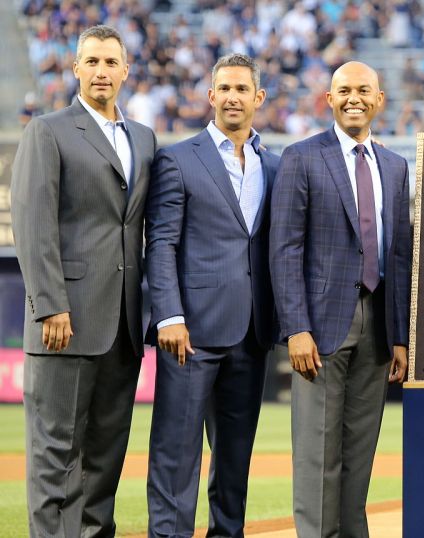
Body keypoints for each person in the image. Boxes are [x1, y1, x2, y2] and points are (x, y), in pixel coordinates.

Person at [10, 25, 157, 537]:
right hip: (64, 322)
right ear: (75, 68)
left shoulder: (144, 137)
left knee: (104, 460)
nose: (100, 71)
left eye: (109, 62)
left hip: (123, 325)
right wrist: (50, 304)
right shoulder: (47, 130)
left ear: (125, 70)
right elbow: (33, 222)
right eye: (90, 61)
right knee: (55, 456)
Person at [269, 61, 411, 537]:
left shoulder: (394, 166)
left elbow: (398, 255)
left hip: (377, 328)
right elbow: (284, 248)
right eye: (344, 90)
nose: (354, 98)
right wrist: (297, 327)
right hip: (320, 327)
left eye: (364, 90)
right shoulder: (302, 157)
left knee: (359, 451)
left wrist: (400, 337)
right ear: (328, 100)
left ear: (379, 99)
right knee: (317, 453)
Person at [144, 53, 279, 538]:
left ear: (258, 98)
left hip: (251, 334)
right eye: (224, 88)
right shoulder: (178, 158)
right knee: (175, 453)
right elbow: (161, 243)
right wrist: (169, 315)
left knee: (235, 459)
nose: (233, 97)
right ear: (211, 96)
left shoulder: (275, 164)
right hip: (191, 332)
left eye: (243, 89)